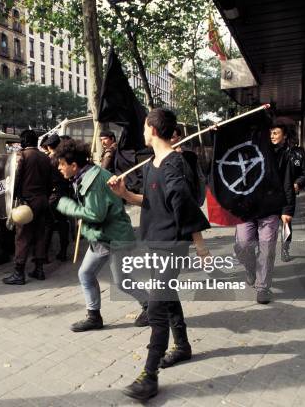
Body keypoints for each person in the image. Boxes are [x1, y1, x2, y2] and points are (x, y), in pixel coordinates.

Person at [108, 109, 210, 401]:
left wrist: (199, 244)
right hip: (155, 241)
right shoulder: (153, 164)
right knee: (167, 298)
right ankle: (182, 346)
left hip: (172, 245)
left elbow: (185, 203)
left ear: (153, 129)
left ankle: (149, 375)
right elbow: (151, 200)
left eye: (143, 127)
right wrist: (125, 194)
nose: (142, 131)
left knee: (155, 308)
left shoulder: (173, 164)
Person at [55, 140, 149, 331]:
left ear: (74, 165)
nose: (59, 168)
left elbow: (96, 215)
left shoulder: (94, 181)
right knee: (86, 273)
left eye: (61, 164)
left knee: (122, 282)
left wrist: (67, 206)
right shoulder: (86, 175)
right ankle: (94, 317)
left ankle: (151, 307)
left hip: (114, 238)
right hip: (101, 238)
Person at [234, 125, 296, 303]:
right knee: (243, 245)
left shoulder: (283, 155)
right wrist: (218, 135)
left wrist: (287, 210)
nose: (270, 136)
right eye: (267, 132)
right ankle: (250, 268)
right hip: (246, 210)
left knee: (267, 249)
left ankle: (263, 288)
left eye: (274, 133)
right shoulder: (246, 152)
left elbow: (287, 183)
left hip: (270, 211)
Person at [2, 129, 53, 284]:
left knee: (22, 237)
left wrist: (15, 199)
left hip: (27, 202)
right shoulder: (45, 157)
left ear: (24, 141)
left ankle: (19, 273)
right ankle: (39, 270)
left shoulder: (22, 156)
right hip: (43, 201)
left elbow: (15, 180)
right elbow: (50, 182)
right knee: (39, 235)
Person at [281, 129, 305, 261]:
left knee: (286, 222)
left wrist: (297, 184)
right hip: (270, 194)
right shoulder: (271, 151)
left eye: (276, 133)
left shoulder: (298, 152)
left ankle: (285, 249)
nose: (272, 136)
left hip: (288, 193)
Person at [42, 134, 71, 262]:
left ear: (48, 146)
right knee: (63, 222)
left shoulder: (47, 160)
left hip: (52, 194)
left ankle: (44, 255)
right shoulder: (64, 159)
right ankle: (63, 251)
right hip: (64, 193)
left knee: (48, 224)